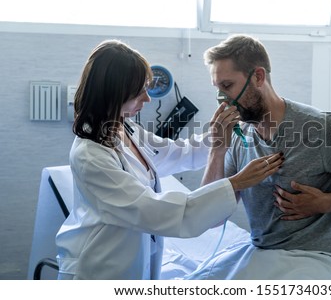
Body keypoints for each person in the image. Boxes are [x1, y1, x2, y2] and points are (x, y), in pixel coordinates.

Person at [55, 39, 284, 280]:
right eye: (139, 92)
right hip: (100, 270)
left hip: (136, 261)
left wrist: (218, 137)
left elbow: (179, 153)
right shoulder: (90, 156)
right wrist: (236, 183)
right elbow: (154, 211)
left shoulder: (126, 128)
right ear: (114, 94)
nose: (148, 100)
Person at [187, 34, 331, 280]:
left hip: (323, 258)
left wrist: (329, 202)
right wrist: (217, 150)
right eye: (217, 89)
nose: (222, 100)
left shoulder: (321, 129)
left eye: (227, 86)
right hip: (265, 254)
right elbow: (210, 218)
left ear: (258, 77)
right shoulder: (238, 137)